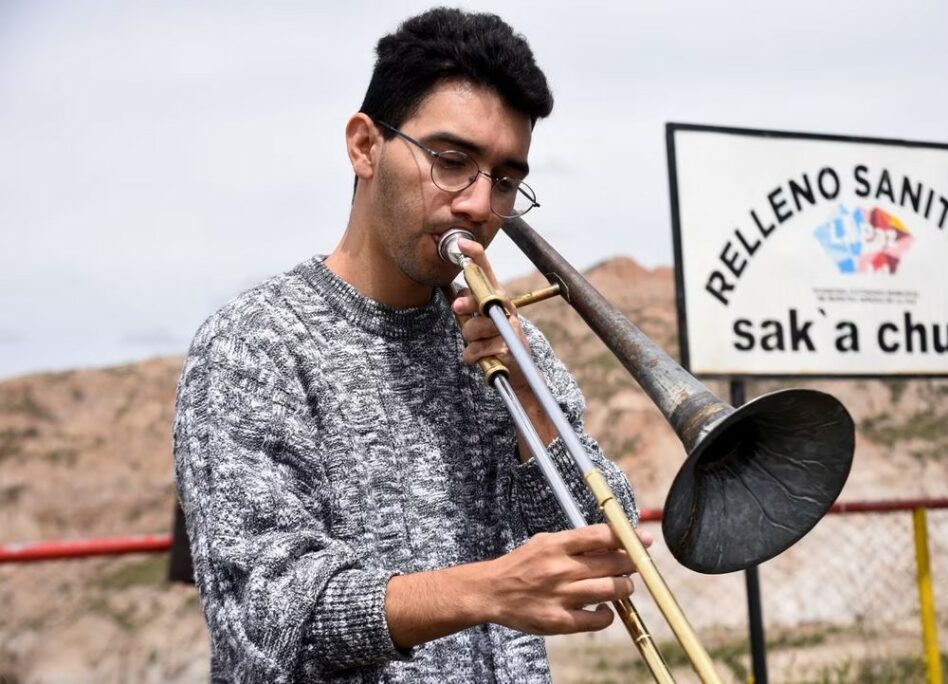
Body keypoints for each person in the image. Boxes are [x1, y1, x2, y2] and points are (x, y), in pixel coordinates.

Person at [173, 8, 642, 683]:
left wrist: (533, 410)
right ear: (365, 145)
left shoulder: (509, 341)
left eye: (506, 178)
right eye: (452, 161)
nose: (482, 204)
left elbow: (610, 547)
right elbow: (264, 614)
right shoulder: (254, 343)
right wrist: (486, 590)